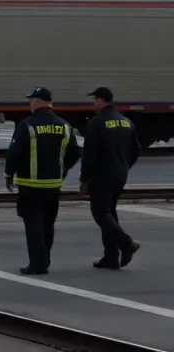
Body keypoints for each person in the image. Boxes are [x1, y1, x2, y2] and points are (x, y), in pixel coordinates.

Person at [4, 87, 81, 275]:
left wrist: (9, 175)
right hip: (53, 185)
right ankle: (45, 260)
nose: (30, 104)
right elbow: (75, 153)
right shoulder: (64, 125)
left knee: (33, 224)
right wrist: (62, 171)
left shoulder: (27, 125)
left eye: (31, 100)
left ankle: (37, 264)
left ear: (38, 102)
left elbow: (14, 153)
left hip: (29, 185)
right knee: (48, 224)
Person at [79, 86, 141, 270]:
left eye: (94, 100)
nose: (93, 104)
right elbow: (136, 150)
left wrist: (84, 180)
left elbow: (89, 154)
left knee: (100, 213)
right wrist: (123, 166)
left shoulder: (96, 123)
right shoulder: (126, 121)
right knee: (110, 212)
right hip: (120, 174)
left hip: (101, 176)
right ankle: (111, 257)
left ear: (99, 100)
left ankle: (126, 243)